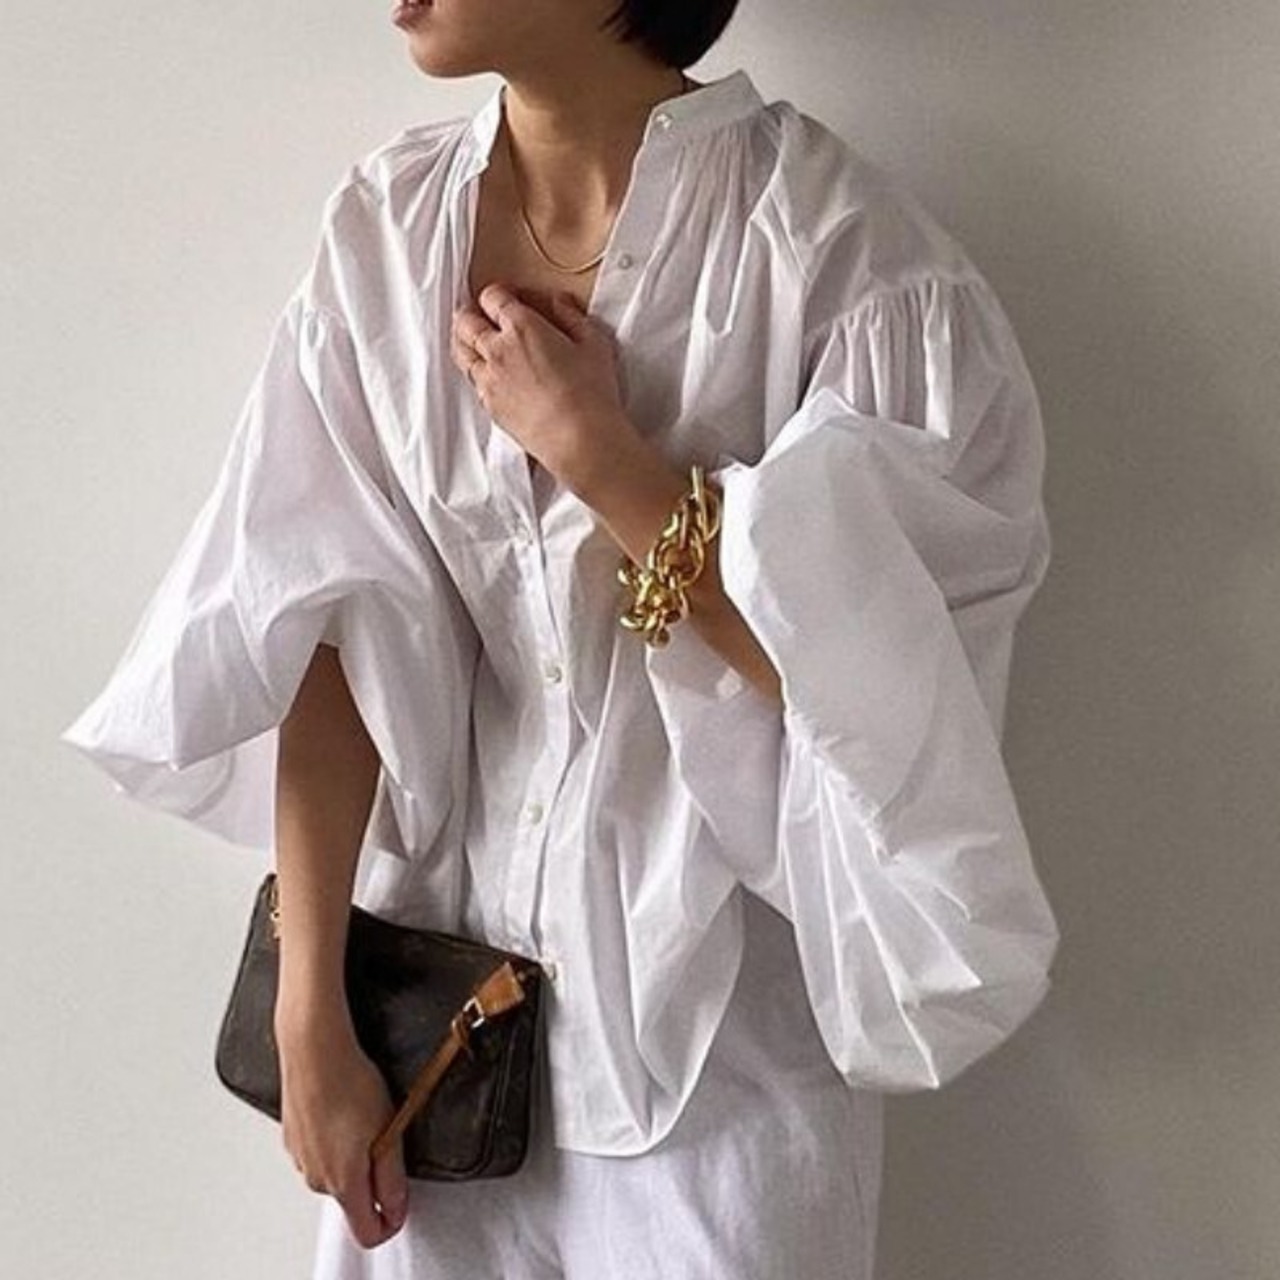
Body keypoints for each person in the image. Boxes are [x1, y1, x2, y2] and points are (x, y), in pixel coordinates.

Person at [59, 1, 1062, 1276]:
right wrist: (310, 1012)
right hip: (427, 1045)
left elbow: (881, 695)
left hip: (715, 1067)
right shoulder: (387, 229)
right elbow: (317, 628)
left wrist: (603, 458)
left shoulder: (841, 261)